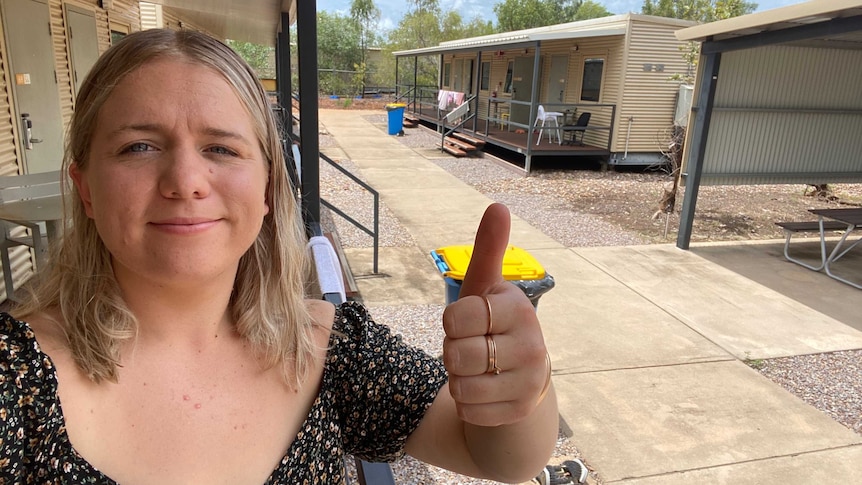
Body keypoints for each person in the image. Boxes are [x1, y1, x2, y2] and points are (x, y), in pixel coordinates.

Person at [0, 28, 558, 484]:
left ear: (268, 188)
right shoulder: (14, 383)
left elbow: (499, 458)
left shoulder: (326, 347)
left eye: (221, 147)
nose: (186, 181)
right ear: (86, 189)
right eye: (138, 147)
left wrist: (523, 384)